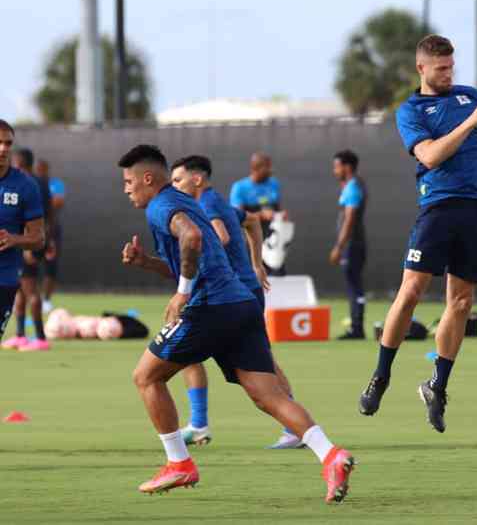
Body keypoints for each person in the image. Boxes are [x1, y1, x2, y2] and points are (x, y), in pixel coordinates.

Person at [117, 144, 353, 502]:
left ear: (147, 178)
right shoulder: (190, 204)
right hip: (240, 304)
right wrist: (146, 263)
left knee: (146, 376)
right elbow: (191, 254)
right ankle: (332, 456)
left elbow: (192, 240)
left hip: (211, 307)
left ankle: (179, 462)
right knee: (267, 395)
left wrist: (182, 293)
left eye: (129, 181)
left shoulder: (161, 205)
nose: (126, 188)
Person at [358, 34, 477, 433]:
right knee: (412, 291)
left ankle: (438, 385)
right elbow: (430, 156)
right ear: (421, 68)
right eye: (441, 68)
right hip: (437, 208)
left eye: (451, 67)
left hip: (475, 210)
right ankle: (381, 375)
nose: (448, 74)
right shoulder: (411, 110)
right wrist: (471, 121)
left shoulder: (469, 95)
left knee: (461, 303)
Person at [170, 155, 305, 450]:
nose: (174, 187)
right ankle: (199, 424)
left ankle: (294, 427)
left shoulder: (206, 203)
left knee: (261, 363)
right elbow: (253, 221)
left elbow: (220, 235)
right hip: (238, 291)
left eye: (178, 180)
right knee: (186, 354)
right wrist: (256, 263)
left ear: (197, 179)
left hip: (232, 295)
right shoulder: (212, 201)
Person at [0, 122, 45, 351]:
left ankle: (38, 337)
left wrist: (14, 239)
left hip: (5, 280)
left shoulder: (25, 186)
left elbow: (38, 238)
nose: (3, 148)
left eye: (7, 143)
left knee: (30, 292)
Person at [329, 150, 367, 340]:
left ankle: (357, 328)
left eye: (337, 166)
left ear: (347, 167)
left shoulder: (353, 187)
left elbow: (350, 219)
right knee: (354, 285)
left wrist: (339, 246)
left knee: (354, 286)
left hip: (352, 245)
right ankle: (356, 325)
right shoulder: (352, 185)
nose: (334, 171)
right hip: (354, 244)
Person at [230, 152, 285, 275]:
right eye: (268, 167)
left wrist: (281, 215)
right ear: (256, 168)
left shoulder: (273, 183)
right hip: (251, 238)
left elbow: (277, 207)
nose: (271, 170)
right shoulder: (240, 187)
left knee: (277, 274)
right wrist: (261, 215)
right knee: (253, 275)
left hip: (272, 239)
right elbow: (237, 216)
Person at [37, 159, 64, 314]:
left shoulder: (55, 183)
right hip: (31, 229)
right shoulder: (31, 184)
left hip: (52, 231)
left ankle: (46, 300)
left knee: (51, 265)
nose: (41, 171)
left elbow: (58, 202)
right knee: (26, 266)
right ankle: (23, 297)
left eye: (44, 169)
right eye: (38, 169)